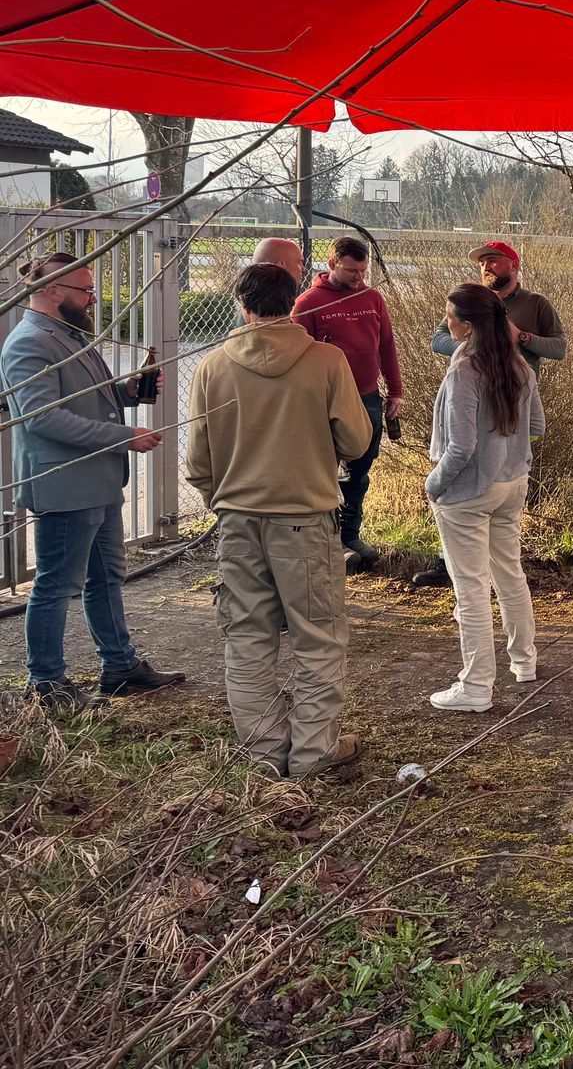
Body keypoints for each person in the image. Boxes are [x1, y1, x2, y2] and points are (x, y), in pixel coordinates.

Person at [186, 264, 371, 779]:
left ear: (242, 304)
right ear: (293, 301)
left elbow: (198, 465)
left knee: (247, 638)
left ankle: (265, 753)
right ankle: (313, 751)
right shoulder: (326, 361)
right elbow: (357, 442)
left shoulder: (212, 366)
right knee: (319, 637)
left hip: (238, 522)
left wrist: (226, 503)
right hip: (306, 519)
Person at [2, 253, 182, 708]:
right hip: (64, 486)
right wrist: (124, 436)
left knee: (106, 578)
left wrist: (125, 393)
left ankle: (119, 666)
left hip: (98, 483)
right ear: (49, 290)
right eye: (84, 289)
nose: (92, 297)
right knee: (56, 583)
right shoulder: (29, 342)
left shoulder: (66, 334)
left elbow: (80, 399)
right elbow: (43, 419)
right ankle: (46, 685)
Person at [422, 284, 545, 711]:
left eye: (450, 315)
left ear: (468, 324)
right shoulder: (519, 367)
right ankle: (524, 662)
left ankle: (475, 688)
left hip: (468, 493)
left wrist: (433, 485)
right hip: (511, 484)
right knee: (509, 574)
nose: (446, 322)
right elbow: (537, 425)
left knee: (470, 590)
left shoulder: (465, 372)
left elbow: (461, 447)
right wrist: (509, 451)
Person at [414, 241, 566, 589]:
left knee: (492, 499)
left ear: (513, 265)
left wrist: (522, 337)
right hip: (474, 403)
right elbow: (437, 339)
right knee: (466, 490)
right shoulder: (473, 303)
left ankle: (478, 569)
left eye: (493, 262)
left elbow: (559, 349)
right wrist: (480, 349)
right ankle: (447, 560)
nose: (486, 268)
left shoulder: (535, 304)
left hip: (513, 413)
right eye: (482, 263)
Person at [292, 237, 403, 572]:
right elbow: (296, 357)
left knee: (359, 470)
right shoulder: (308, 304)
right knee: (321, 473)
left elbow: (386, 347)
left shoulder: (372, 298)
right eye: (352, 270)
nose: (359, 277)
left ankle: (350, 535)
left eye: (363, 270)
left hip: (367, 396)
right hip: (325, 400)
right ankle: (326, 541)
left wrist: (395, 391)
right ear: (332, 264)